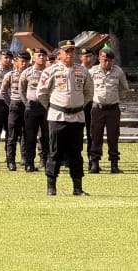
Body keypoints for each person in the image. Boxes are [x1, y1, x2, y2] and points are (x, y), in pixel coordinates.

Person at [37, 40, 93, 196]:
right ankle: (51, 186)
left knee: (76, 153)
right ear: (59, 54)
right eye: (66, 51)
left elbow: (89, 93)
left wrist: (79, 104)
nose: (69, 54)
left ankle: (77, 187)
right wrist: (53, 107)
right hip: (57, 117)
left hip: (76, 117)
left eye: (72, 51)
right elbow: (41, 93)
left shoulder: (82, 71)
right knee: (55, 152)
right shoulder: (51, 71)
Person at [88, 49, 129, 174]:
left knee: (113, 137)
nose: (107, 63)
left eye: (109, 61)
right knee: (96, 136)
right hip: (97, 108)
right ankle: (95, 163)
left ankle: (114, 164)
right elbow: (86, 87)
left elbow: (124, 88)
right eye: (105, 60)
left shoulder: (118, 71)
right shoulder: (92, 71)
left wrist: (116, 98)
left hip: (113, 109)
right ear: (99, 59)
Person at [19, 50, 48, 172]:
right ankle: (29, 163)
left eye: (43, 55)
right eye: (39, 56)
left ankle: (46, 162)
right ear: (34, 58)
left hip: (46, 107)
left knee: (46, 136)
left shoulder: (50, 72)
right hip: (32, 107)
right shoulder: (27, 72)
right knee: (30, 136)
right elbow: (22, 90)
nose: (41, 57)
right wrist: (27, 104)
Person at [0, 53, 26, 171]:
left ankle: (26, 158)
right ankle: (11, 160)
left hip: (28, 106)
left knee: (27, 134)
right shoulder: (10, 75)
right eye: (22, 61)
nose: (24, 64)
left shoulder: (30, 74)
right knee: (12, 135)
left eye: (26, 61)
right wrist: (10, 103)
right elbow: (3, 91)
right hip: (15, 105)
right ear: (16, 62)